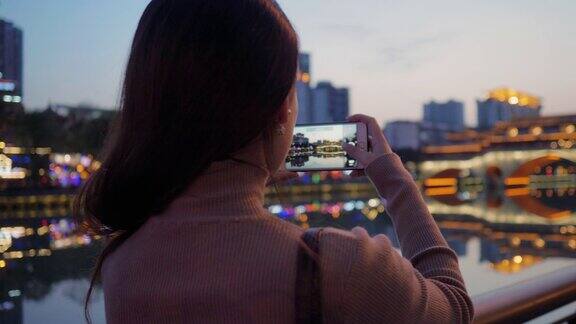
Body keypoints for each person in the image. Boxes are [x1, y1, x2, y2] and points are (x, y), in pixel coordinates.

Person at [75, 0, 474, 323]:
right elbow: (455, 307)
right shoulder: (335, 267)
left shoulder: (122, 262)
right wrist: (391, 176)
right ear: (283, 109)